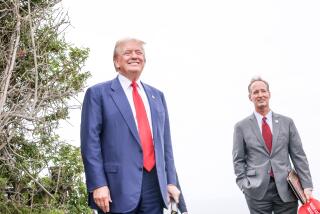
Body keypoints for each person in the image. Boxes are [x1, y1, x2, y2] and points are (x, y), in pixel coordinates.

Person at [80, 38, 182, 214]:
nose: (134, 56)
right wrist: (98, 184)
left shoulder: (157, 96)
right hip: (116, 188)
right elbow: (90, 143)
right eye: (128, 53)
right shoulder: (98, 94)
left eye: (139, 53)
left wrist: (171, 181)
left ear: (144, 61)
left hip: (154, 187)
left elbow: (166, 145)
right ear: (116, 61)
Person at [232, 76, 313, 214]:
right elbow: (238, 159)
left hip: (287, 189)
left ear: (269, 94)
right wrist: (244, 185)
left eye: (263, 91)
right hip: (256, 192)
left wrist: (306, 186)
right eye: (255, 92)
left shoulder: (287, 123)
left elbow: (298, 156)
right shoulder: (241, 127)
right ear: (250, 97)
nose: (260, 95)